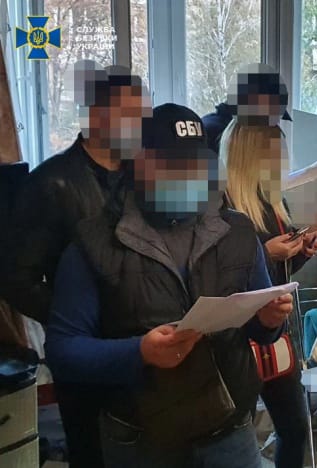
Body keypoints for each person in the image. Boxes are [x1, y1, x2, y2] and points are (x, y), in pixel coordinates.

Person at [45, 103, 292, 468]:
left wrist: (270, 320)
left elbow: (259, 324)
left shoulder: (237, 231)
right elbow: (63, 351)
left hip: (230, 430)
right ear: (138, 163)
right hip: (141, 438)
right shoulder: (94, 244)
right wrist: (139, 352)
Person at [0, 61, 151, 468]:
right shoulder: (50, 184)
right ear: (98, 116)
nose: (140, 126)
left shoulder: (143, 177)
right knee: (94, 453)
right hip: (86, 357)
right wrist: (73, 320)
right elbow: (15, 277)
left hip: (140, 346)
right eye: (131, 115)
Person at [209, 64, 317, 468]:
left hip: (276, 335)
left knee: (295, 429)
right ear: (250, 155)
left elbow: (278, 277)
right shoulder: (219, 207)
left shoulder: (274, 203)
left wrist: (299, 252)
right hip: (235, 343)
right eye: (274, 152)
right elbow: (217, 278)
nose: (282, 159)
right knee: (234, 438)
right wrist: (266, 253)